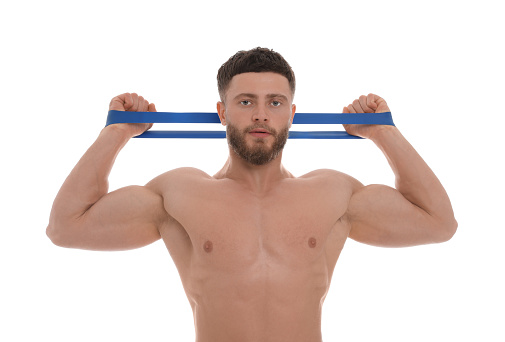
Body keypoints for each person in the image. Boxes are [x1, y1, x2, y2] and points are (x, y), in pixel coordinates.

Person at [47, 47, 457, 342]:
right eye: (246, 102)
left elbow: (439, 223)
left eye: (274, 102)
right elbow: (66, 227)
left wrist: (384, 132)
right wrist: (116, 133)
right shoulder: (180, 193)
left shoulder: (332, 193)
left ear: (291, 115)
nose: (261, 113)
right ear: (223, 112)